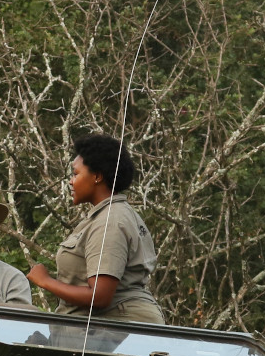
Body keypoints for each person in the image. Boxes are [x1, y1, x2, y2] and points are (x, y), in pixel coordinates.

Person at [26, 134, 164, 324]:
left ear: (97, 176)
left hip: (116, 334)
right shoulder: (110, 215)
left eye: (75, 174)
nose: (70, 181)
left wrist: (45, 281)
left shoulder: (110, 221)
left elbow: (99, 297)